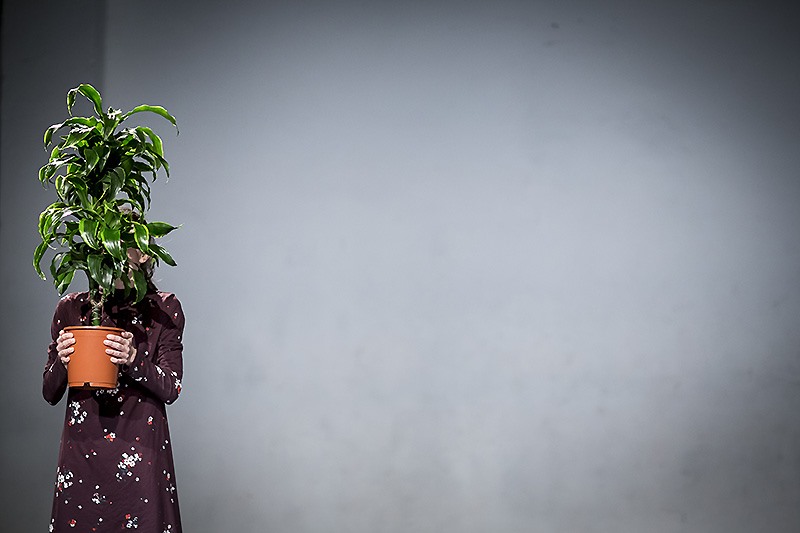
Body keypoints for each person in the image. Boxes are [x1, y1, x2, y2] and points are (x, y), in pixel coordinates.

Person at [43, 248, 185, 532]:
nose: (112, 251)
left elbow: (172, 387)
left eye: (122, 242)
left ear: (144, 254)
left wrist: (134, 360)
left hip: (140, 454)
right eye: (104, 245)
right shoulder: (73, 308)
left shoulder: (163, 308)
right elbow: (49, 391)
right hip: (82, 455)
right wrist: (62, 360)